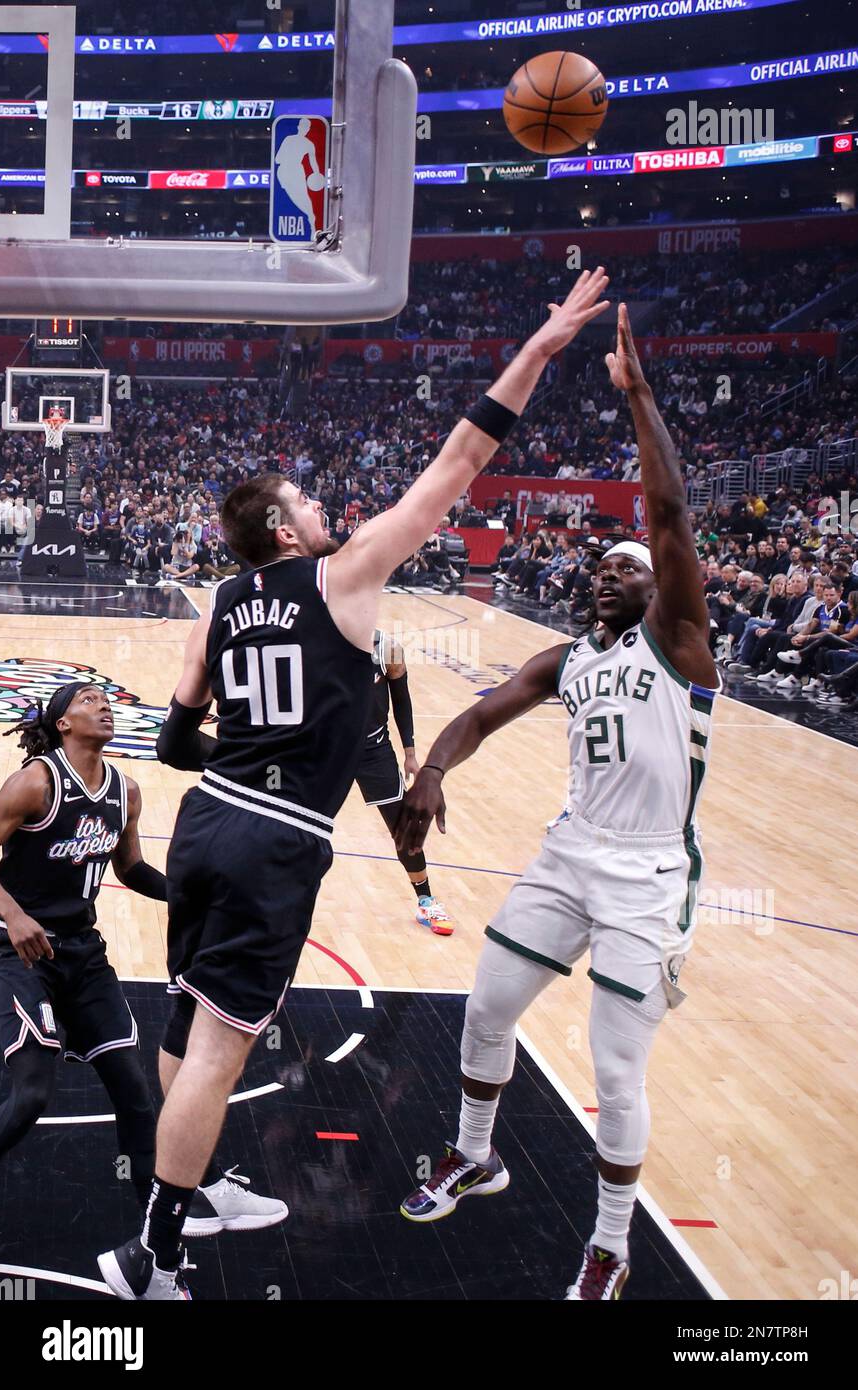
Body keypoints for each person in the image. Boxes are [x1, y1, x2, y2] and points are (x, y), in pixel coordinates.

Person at [96, 267, 612, 1301]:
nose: (323, 504)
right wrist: (541, 345)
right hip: (273, 840)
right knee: (219, 1052)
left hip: (207, 825)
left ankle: (185, 1194)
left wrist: (242, 757)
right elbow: (462, 455)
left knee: (181, 1022)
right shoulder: (342, 575)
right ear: (285, 530)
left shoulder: (217, 605)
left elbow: (181, 737)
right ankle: (155, 1253)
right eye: (306, 500)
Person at [395, 305, 720, 1301]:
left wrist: (638, 399)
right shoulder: (565, 657)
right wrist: (433, 770)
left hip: (644, 873)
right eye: (601, 565)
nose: (606, 571)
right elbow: (481, 714)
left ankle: (610, 1246)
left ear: (653, 583)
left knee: (615, 1074)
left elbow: (665, 520)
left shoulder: (681, 644)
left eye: (622, 565)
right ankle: (473, 1153)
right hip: (568, 852)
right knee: (486, 1007)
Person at [0, 685, 164, 1223]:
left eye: (108, 699)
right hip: (18, 953)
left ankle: (160, 1244)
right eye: (90, 699)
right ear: (62, 722)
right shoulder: (35, 783)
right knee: (32, 1096)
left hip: (84, 956)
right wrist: (14, 915)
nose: (105, 704)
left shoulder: (126, 791)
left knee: (136, 1094)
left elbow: (131, 869)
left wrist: (192, 893)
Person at [352, 630, 452, 935]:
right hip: (326, 749)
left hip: (373, 750)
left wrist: (410, 753)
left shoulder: (386, 648)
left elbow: (401, 700)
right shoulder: (317, 640)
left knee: (404, 828)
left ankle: (426, 902)